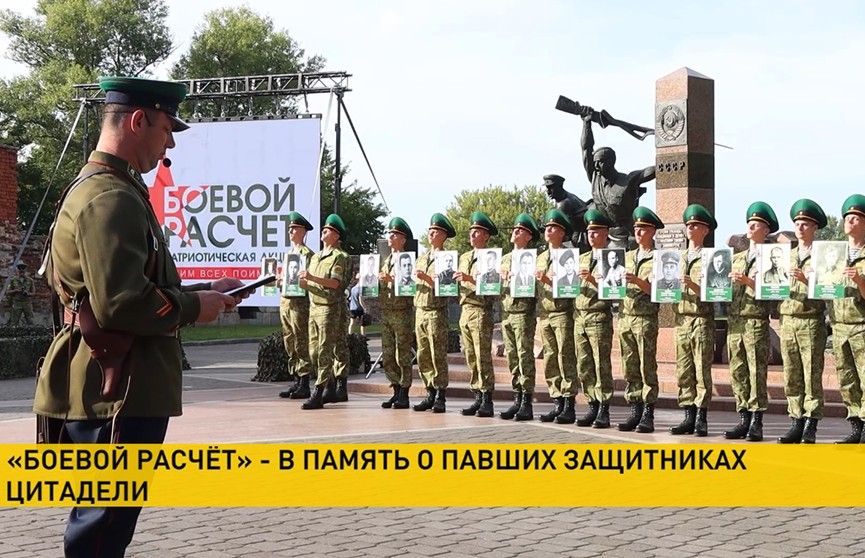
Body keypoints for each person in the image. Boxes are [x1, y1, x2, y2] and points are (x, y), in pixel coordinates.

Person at [33, 76, 240, 558]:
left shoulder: (109, 189)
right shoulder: (111, 197)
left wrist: (204, 293)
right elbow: (120, 304)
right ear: (137, 120)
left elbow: (119, 288)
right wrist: (193, 307)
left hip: (113, 384)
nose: (169, 141)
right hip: (118, 389)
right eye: (167, 128)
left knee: (103, 524)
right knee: (101, 530)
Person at [724, 201, 777, 442]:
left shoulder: (772, 258)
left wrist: (748, 282)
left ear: (766, 230)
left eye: (756, 224)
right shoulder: (736, 258)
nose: (750, 226)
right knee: (738, 371)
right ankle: (743, 417)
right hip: (735, 321)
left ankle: (757, 420)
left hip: (755, 320)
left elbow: (773, 292)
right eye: (749, 223)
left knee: (756, 371)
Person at [778, 199, 827, 444]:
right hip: (787, 320)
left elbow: (829, 291)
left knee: (811, 373)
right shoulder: (784, 256)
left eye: (805, 223)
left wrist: (807, 280)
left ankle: (811, 424)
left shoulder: (824, 256)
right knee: (791, 374)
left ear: (814, 227)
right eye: (797, 223)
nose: (800, 227)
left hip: (810, 320)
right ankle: (795, 421)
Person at [670, 204, 717, 437]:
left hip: (701, 319)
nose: (691, 228)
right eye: (688, 225)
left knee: (701, 369)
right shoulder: (675, 258)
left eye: (696, 225)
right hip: (682, 319)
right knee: (684, 370)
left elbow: (716, 294)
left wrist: (692, 285)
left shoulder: (712, 258)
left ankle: (701, 417)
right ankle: (687, 414)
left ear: (705, 231)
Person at [580, 107, 656, 249]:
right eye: (594, 161)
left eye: (599, 162)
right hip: (606, 241)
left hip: (629, 241)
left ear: (610, 162)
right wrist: (587, 124)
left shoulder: (627, 180)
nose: (595, 165)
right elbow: (586, 149)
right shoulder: (595, 178)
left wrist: (670, 146)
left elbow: (653, 170)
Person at [617, 207, 663, 433]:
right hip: (625, 317)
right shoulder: (624, 257)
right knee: (629, 366)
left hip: (645, 318)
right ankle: (634, 409)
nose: (637, 231)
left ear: (652, 230)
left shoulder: (659, 259)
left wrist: (636, 280)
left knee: (646, 366)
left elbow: (659, 291)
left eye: (642, 228)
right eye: (635, 228)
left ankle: (648, 413)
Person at [299, 213, 350, 410]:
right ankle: (329, 385)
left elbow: (335, 283)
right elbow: (311, 283)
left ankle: (319, 391)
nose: (323, 232)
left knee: (325, 350)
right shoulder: (316, 257)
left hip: (329, 308)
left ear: (336, 236)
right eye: (323, 229)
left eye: (328, 230)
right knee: (313, 351)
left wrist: (311, 278)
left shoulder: (339, 257)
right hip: (314, 307)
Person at [574, 209, 615, 428]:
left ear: (605, 233)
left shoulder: (612, 259)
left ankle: (604, 408)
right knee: (585, 365)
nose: (591, 235)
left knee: (601, 364)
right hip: (579, 317)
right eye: (589, 231)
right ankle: (591, 404)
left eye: (596, 231)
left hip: (599, 316)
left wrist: (592, 280)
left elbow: (614, 292)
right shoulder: (580, 259)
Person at [455, 211, 498, 417]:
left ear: (486, 236)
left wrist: (470, 279)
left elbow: (491, 289)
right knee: (470, 356)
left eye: (477, 231)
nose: (472, 234)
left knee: (482, 356)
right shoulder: (464, 257)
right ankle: (477, 397)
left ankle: (487, 398)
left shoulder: (491, 258)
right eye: (472, 230)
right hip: (465, 310)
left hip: (481, 310)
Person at [413, 213, 456, 413]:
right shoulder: (421, 259)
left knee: (437, 354)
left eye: (435, 231)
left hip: (436, 311)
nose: (431, 234)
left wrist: (428, 279)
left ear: (443, 235)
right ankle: (429, 391)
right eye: (430, 230)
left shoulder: (447, 259)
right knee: (423, 355)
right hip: (420, 310)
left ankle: (440, 394)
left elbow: (447, 289)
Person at [498, 213, 540, 421]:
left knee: (524, 356)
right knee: (512, 358)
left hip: (523, 313)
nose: (515, 232)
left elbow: (537, 290)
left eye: (520, 230)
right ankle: (517, 398)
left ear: (529, 236)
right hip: (506, 313)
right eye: (515, 229)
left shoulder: (533, 259)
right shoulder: (504, 259)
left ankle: (526, 402)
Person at [831, 194, 865, 443]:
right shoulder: (833, 255)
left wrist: (859, 280)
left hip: (861, 325)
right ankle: (855, 426)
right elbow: (825, 290)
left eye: (855, 218)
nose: (849, 222)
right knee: (846, 378)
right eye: (847, 218)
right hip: (839, 326)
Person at [378, 217, 416, 409]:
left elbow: (410, 287)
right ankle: (395, 389)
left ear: (403, 239)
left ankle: (404, 393)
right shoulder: (386, 261)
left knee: (402, 354)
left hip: (401, 312)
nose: (390, 237)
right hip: (387, 312)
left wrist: (392, 279)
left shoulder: (407, 261)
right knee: (388, 354)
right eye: (390, 234)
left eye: (394, 235)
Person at [278, 213, 315, 400]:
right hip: (286, 301)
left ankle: (304, 381)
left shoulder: (307, 255)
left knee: (301, 340)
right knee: (289, 340)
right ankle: (296, 379)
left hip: (300, 303)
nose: (290, 231)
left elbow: (310, 281)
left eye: (294, 229)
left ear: (303, 231)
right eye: (289, 229)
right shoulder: (289, 254)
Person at [543, 174, 588, 247]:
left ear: (559, 187)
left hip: (580, 236)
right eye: (547, 188)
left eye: (550, 188)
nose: (548, 191)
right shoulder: (566, 196)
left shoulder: (564, 203)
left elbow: (564, 231)